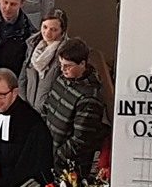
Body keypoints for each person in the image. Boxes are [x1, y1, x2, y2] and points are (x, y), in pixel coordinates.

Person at [43, 37, 107, 177]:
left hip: (68, 165)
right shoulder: (61, 79)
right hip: (48, 150)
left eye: (68, 66)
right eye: (61, 64)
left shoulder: (90, 97)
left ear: (82, 64)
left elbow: (81, 140)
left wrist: (58, 156)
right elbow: (47, 107)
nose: (63, 69)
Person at [18, 8, 69, 113]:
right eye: (45, 27)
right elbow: (23, 76)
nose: (47, 33)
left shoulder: (65, 52)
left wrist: (47, 108)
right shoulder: (33, 45)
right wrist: (23, 102)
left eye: (54, 30)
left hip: (48, 112)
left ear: (62, 31)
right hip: (28, 108)